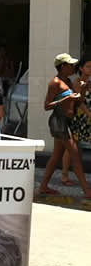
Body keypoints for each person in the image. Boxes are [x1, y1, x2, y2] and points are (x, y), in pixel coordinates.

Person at [38, 53, 91, 198]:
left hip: (67, 121)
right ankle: (87, 191)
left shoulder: (68, 81)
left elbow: (77, 102)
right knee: (75, 155)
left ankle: (43, 186)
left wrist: (83, 90)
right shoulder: (55, 83)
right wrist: (66, 99)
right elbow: (47, 106)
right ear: (62, 67)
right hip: (59, 121)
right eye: (70, 65)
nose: (73, 67)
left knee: (56, 156)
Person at [61, 56, 91, 185]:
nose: (90, 69)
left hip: (87, 118)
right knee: (71, 147)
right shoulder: (77, 83)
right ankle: (64, 175)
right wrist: (88, 114)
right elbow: (79, 102)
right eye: (88, 66)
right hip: (78, 118)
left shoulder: (89, 83)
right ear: (81, 68)